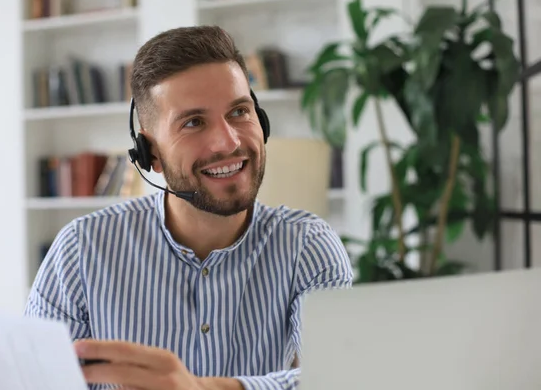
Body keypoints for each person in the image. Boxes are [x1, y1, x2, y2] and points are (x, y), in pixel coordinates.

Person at [24, 25, 353, 390]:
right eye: (193, 122)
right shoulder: (81, 250)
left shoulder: (307, 245)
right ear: (151, 155)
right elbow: (35, 379)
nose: (227, 142)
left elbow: (338, 377)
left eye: (239, 111)